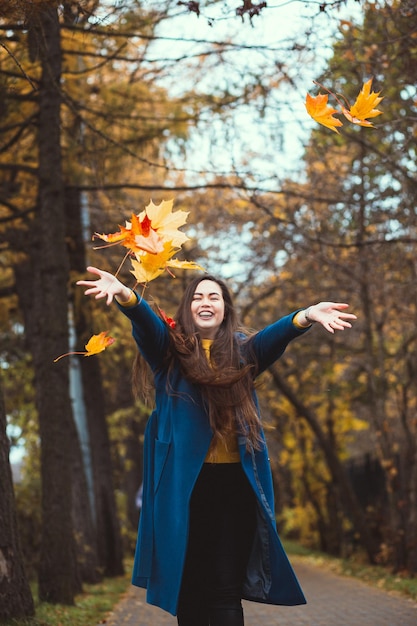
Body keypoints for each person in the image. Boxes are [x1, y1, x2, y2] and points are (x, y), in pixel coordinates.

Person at [77, 266, 357, 626]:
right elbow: (146, 324)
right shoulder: (168, 353)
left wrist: (304, 316)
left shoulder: (244, 353)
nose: (205, 302)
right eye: (197, 297)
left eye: (214, 296)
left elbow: (274, 337)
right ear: (187, 309)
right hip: (185, 492)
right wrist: (126, 296)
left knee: (225, 590)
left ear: (225, 308)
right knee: (191, 589)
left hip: (233, 489)